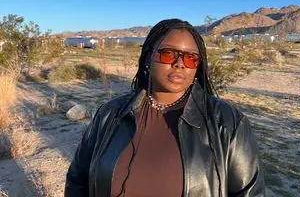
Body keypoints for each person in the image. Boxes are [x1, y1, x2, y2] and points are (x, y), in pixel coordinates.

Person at [65, 19, 265, 197]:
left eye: (190, 58)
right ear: (148, 57)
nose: (179, 64)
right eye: (168, 54)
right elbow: (77, 180)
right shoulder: (110, 115)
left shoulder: (226, 122)